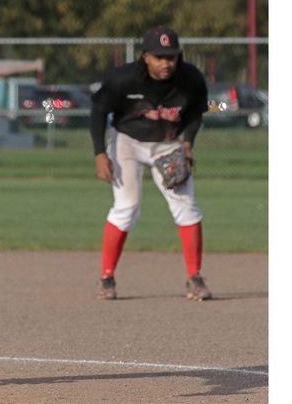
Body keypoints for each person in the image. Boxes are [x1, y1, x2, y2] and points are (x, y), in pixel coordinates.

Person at [89, 26, 212, 301]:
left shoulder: (190, 78)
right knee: (127, 207)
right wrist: (100, 153)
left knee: (186, 206)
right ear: (145, 57)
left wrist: (188, 143)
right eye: (159, 57)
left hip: (167, 144)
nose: (166, 63)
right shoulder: (124, 79)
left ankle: (195, 277)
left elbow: (194, 114)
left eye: (171, 56)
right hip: (127, 144)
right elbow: (98, 110)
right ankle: (107, 277)